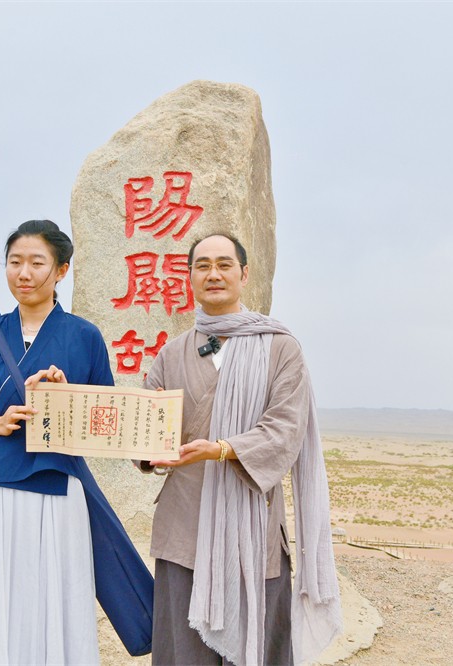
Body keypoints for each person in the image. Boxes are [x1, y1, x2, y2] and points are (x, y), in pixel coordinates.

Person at [0, 219, 152, 665]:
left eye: (37, 263)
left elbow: (106, 418)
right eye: (15, 262)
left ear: (61, 271)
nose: (24, 273)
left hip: (58, 487)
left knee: (53, 594)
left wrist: (64, 394)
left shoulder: (84, 336)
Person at [142, 233, 342, 666]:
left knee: (258, 647)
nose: (213, 274)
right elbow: (144, 426)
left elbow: (286, 429)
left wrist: (222, 449)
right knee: (184, 652)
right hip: (185, 526)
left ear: (244, 274)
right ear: (190, 277)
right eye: (202, 266)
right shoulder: (172, 354)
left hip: (253, 526)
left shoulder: (280, 348)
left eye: (224, 264)